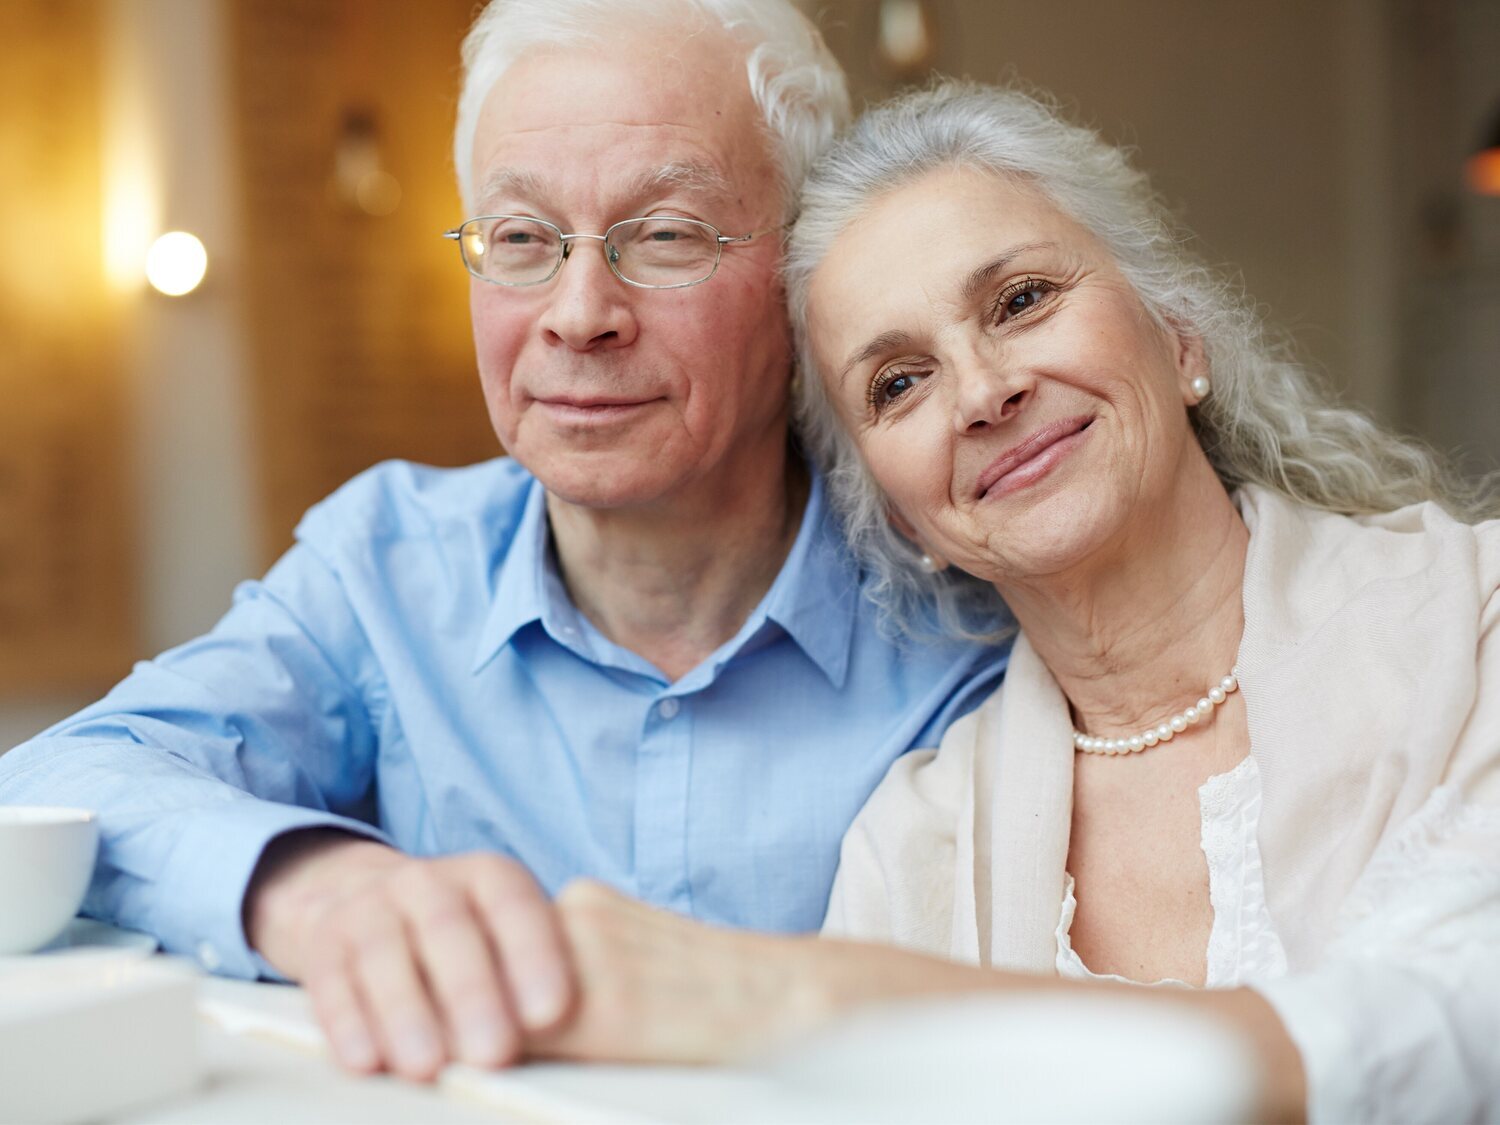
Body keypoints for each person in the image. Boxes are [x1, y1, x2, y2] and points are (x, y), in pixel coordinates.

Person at [0, 7, 1009, 1082]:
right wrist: (314, 886)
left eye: (665, 233)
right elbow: (61, 779)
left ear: (807, 276)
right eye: (522, 239)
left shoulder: (964, 602)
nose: (580, 314)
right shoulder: (386, 567)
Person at [521, 84, 1500, 1123]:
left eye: (1022, 300)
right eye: (899, 382)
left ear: (1180, 337)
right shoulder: (909, 845)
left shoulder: (1476, 619)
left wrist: (828, 1002)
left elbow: (1456, 1024)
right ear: (900, 519)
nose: (985, 393)